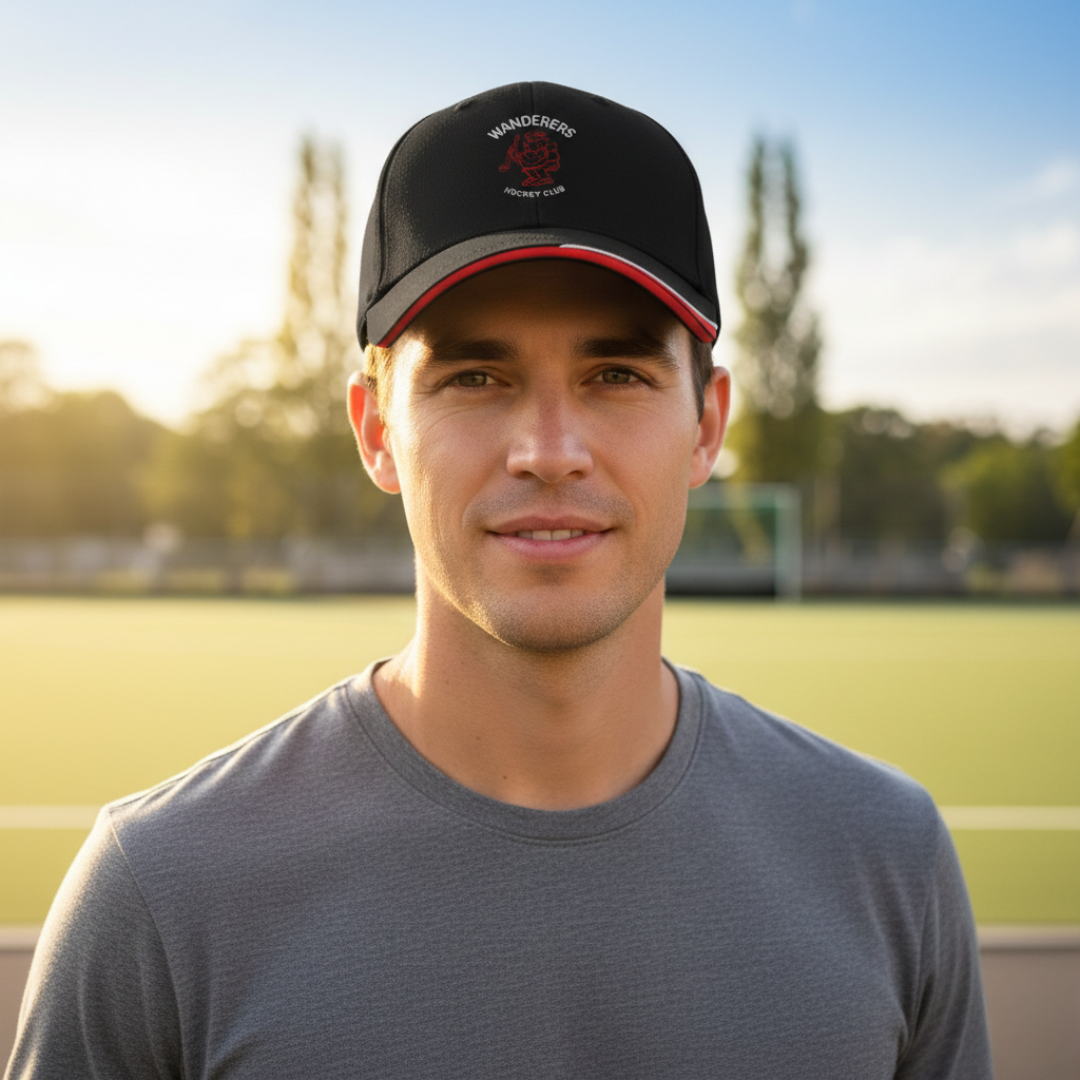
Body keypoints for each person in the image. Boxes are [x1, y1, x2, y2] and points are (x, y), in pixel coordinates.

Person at [6, 81, 991, 1079]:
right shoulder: (162, 891)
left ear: (707, 425)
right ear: (377, 428)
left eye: (617, 375)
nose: (550, 451)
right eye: (476, 377)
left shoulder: (883, 856)